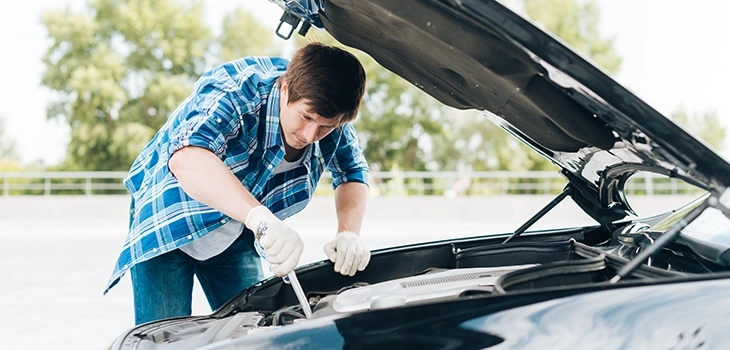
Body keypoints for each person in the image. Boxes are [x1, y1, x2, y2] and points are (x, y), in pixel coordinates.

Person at [103, 43, 372, 325]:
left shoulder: (331, 110)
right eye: (306, 118)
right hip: (169, 222)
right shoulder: (235, 90)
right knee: (164, 340)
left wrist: (348, 234)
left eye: (325, 126)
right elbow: (187, 158)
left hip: (234, 233)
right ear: (285, 89)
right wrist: (261, 219)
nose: (310, 134)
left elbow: (352, 170)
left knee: (253, 333)